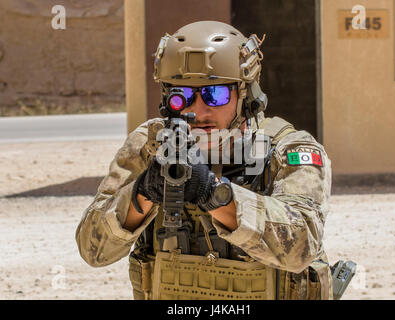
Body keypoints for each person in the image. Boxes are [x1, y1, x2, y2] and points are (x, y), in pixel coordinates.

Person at [76, 21, 333, 300]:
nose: (198, 110)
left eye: (216, 94)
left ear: (245, 93)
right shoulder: (150, 144)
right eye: (182, 95)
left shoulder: (288, 150)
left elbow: (302, 247)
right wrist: (142, 195)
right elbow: (94, 251)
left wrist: (215, 194)